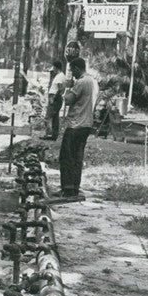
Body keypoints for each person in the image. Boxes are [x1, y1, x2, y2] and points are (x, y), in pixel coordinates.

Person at [58, 57, 99, 200]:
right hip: (87, 123)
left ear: (76, 68)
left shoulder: (81, 82)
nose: (71, 73)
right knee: (77, 156)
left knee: (66, 156)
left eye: (71, 70)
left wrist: (68, 88)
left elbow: (68, 100)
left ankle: (67, 188)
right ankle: (74, 187)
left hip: (76, 123)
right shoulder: (93, 81)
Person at [42, 59, 66, 140]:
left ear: (56, 67)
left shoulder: (59, 76)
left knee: (47, 118)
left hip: (54, 98)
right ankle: (54, 135)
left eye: (54, 68)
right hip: (56, 98)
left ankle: (49, 134)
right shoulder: (62, 76)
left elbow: (60, 89)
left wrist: (54, 97)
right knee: (55, 118)